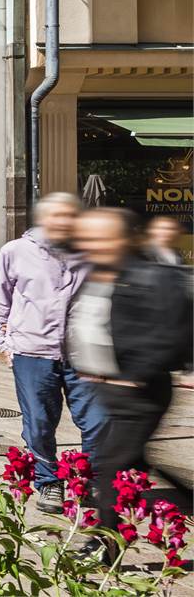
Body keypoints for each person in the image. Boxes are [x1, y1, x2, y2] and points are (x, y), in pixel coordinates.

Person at [68, 206, 193, 526]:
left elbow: (174, 333)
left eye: (102, 238)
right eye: (87, 238)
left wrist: (136, 374)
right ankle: (186, 498)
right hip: (106, 387)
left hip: (139, 395)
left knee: (110, 467)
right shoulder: (100, 273)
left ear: (126, 239)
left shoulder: (152, 276)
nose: (92, 244)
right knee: (134, 460)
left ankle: (104, 540)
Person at [0, 190, 103, 511]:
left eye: (70, 215)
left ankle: (85, 480)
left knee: (96, 421)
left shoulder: (90, 252)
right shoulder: (15, 251)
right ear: (43, 218)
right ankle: (48, 482)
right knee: (39, 423)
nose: (64, 221)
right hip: (32, 352)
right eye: (57, 215)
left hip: (83, 353)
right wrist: (3, 342)